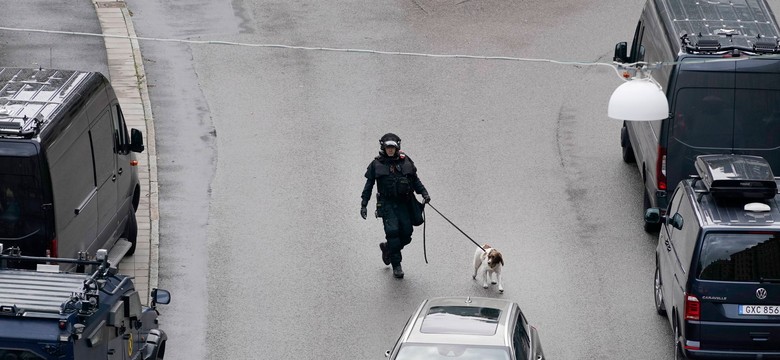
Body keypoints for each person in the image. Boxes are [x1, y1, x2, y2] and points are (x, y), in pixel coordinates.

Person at [361, 133, 430, 279]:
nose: (390, 150)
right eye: (388, 147)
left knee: (406, 234)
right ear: (383, 148)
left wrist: (424, 193)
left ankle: (387, 248)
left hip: (404, 203)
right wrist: (364, 204)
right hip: (387, 205)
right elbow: (369, 185)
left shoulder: (406, 162)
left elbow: (415, 180)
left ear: (397, 147)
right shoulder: (376, 164)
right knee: (392, 233)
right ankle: (396, 265)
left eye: (393, 147)